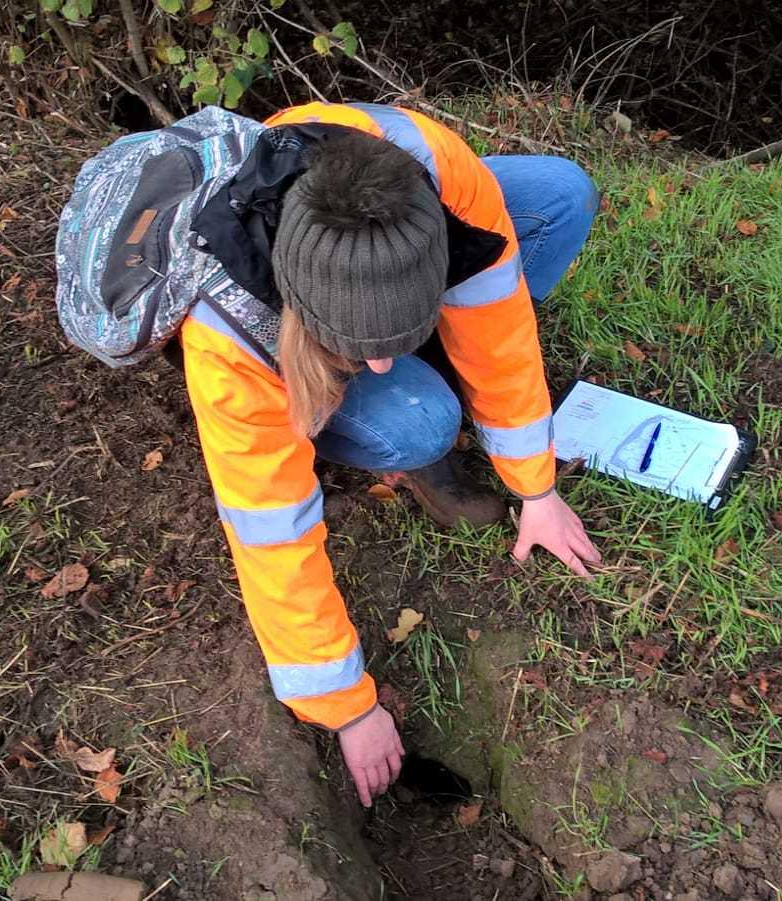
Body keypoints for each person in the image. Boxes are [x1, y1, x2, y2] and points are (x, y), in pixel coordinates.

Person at [178, 102, 602, 808]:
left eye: (393, 341)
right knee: (419, 418)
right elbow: (271, 535)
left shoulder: (432, 167)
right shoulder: (232, 333)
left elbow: (497, 322)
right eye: (359, 348)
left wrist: (538, 487)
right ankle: (417, 427)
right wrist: (345, 706)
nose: (375, 366)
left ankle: (420, 351)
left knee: (560, 194)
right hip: (259, 310)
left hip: (372, 252)